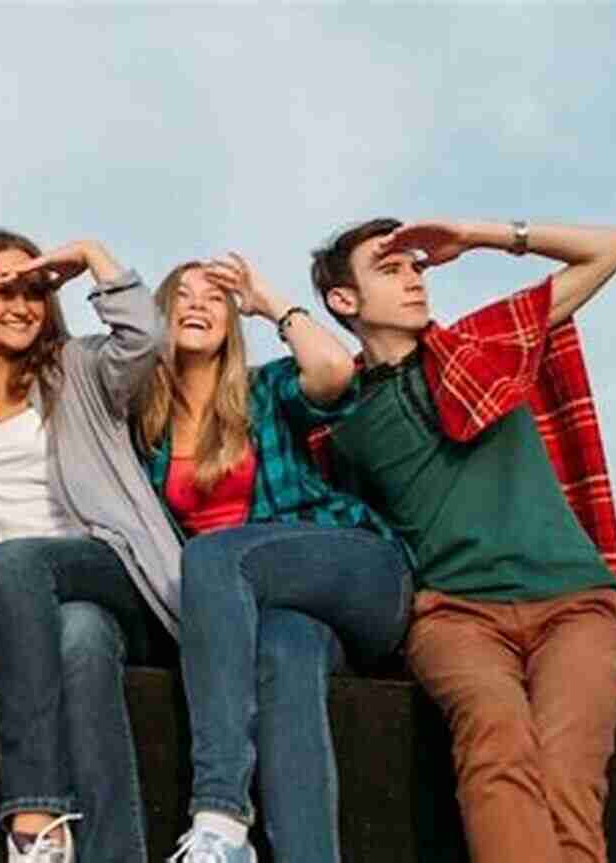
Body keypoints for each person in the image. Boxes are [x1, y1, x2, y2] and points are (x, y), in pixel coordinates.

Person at [310, 218, 616, 863]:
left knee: (568, 775)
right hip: (455, 616)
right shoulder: (336, 423)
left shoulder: (485, 346)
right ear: (344, 301)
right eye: (390, 268)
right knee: (497, 742)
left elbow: (613, 249)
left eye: (417, 269)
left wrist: (482, 236)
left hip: (573, 602)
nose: (413, 279)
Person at [133, 255, 411, 863]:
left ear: (234, 322)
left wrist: (268, 300)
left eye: (215, 297)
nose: (199, 304)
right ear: (159, 317)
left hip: (354, 572)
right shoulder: (145, 426)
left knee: (211, 557)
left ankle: (221, 814)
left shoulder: (266, 389)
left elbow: (335, 370)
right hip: (270, 614)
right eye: (182, 294)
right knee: (285, 653)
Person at [0, 229, 179, 863]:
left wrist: (95, 255)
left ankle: (32, 813)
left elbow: (147, 339)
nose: (22, 305)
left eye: (35, 290)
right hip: (35, 610)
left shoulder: (80, 369)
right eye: (4, 290)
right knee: (82, 643)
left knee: (21, 560)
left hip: (115, 570)